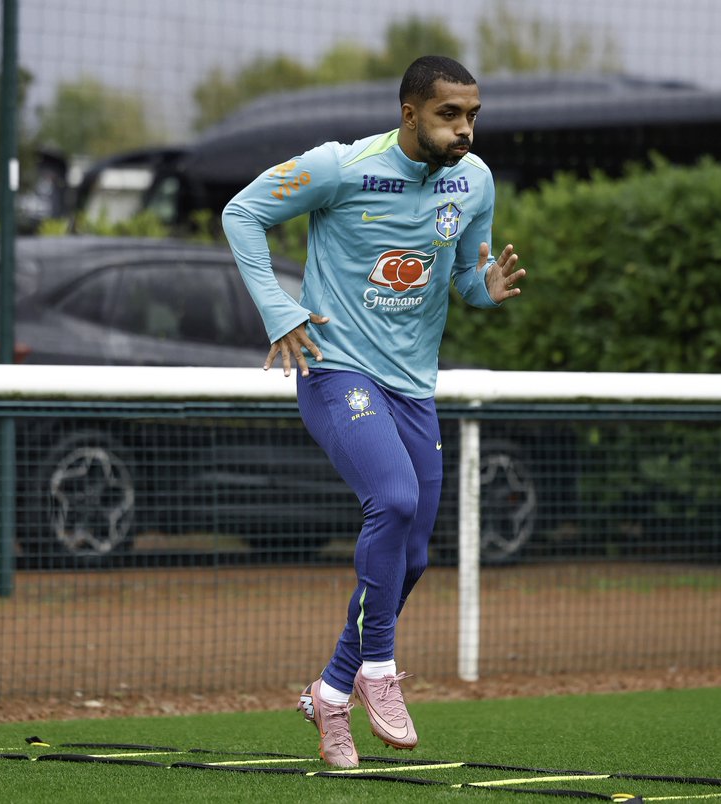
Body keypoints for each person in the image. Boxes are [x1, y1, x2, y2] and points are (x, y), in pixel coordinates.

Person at [222, 56, 524, 767]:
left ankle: (331, 692)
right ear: (409, 114)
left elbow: (461, 278)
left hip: (414, 387)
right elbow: (242, 214)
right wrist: (279, 310)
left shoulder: (474, 181)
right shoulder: (340, 167)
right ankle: (378, 669)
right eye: (449, 115)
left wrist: (484, 288)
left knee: (411, 556)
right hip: (336, 370)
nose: (464, 129)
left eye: (472, 115)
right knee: (391, 500)